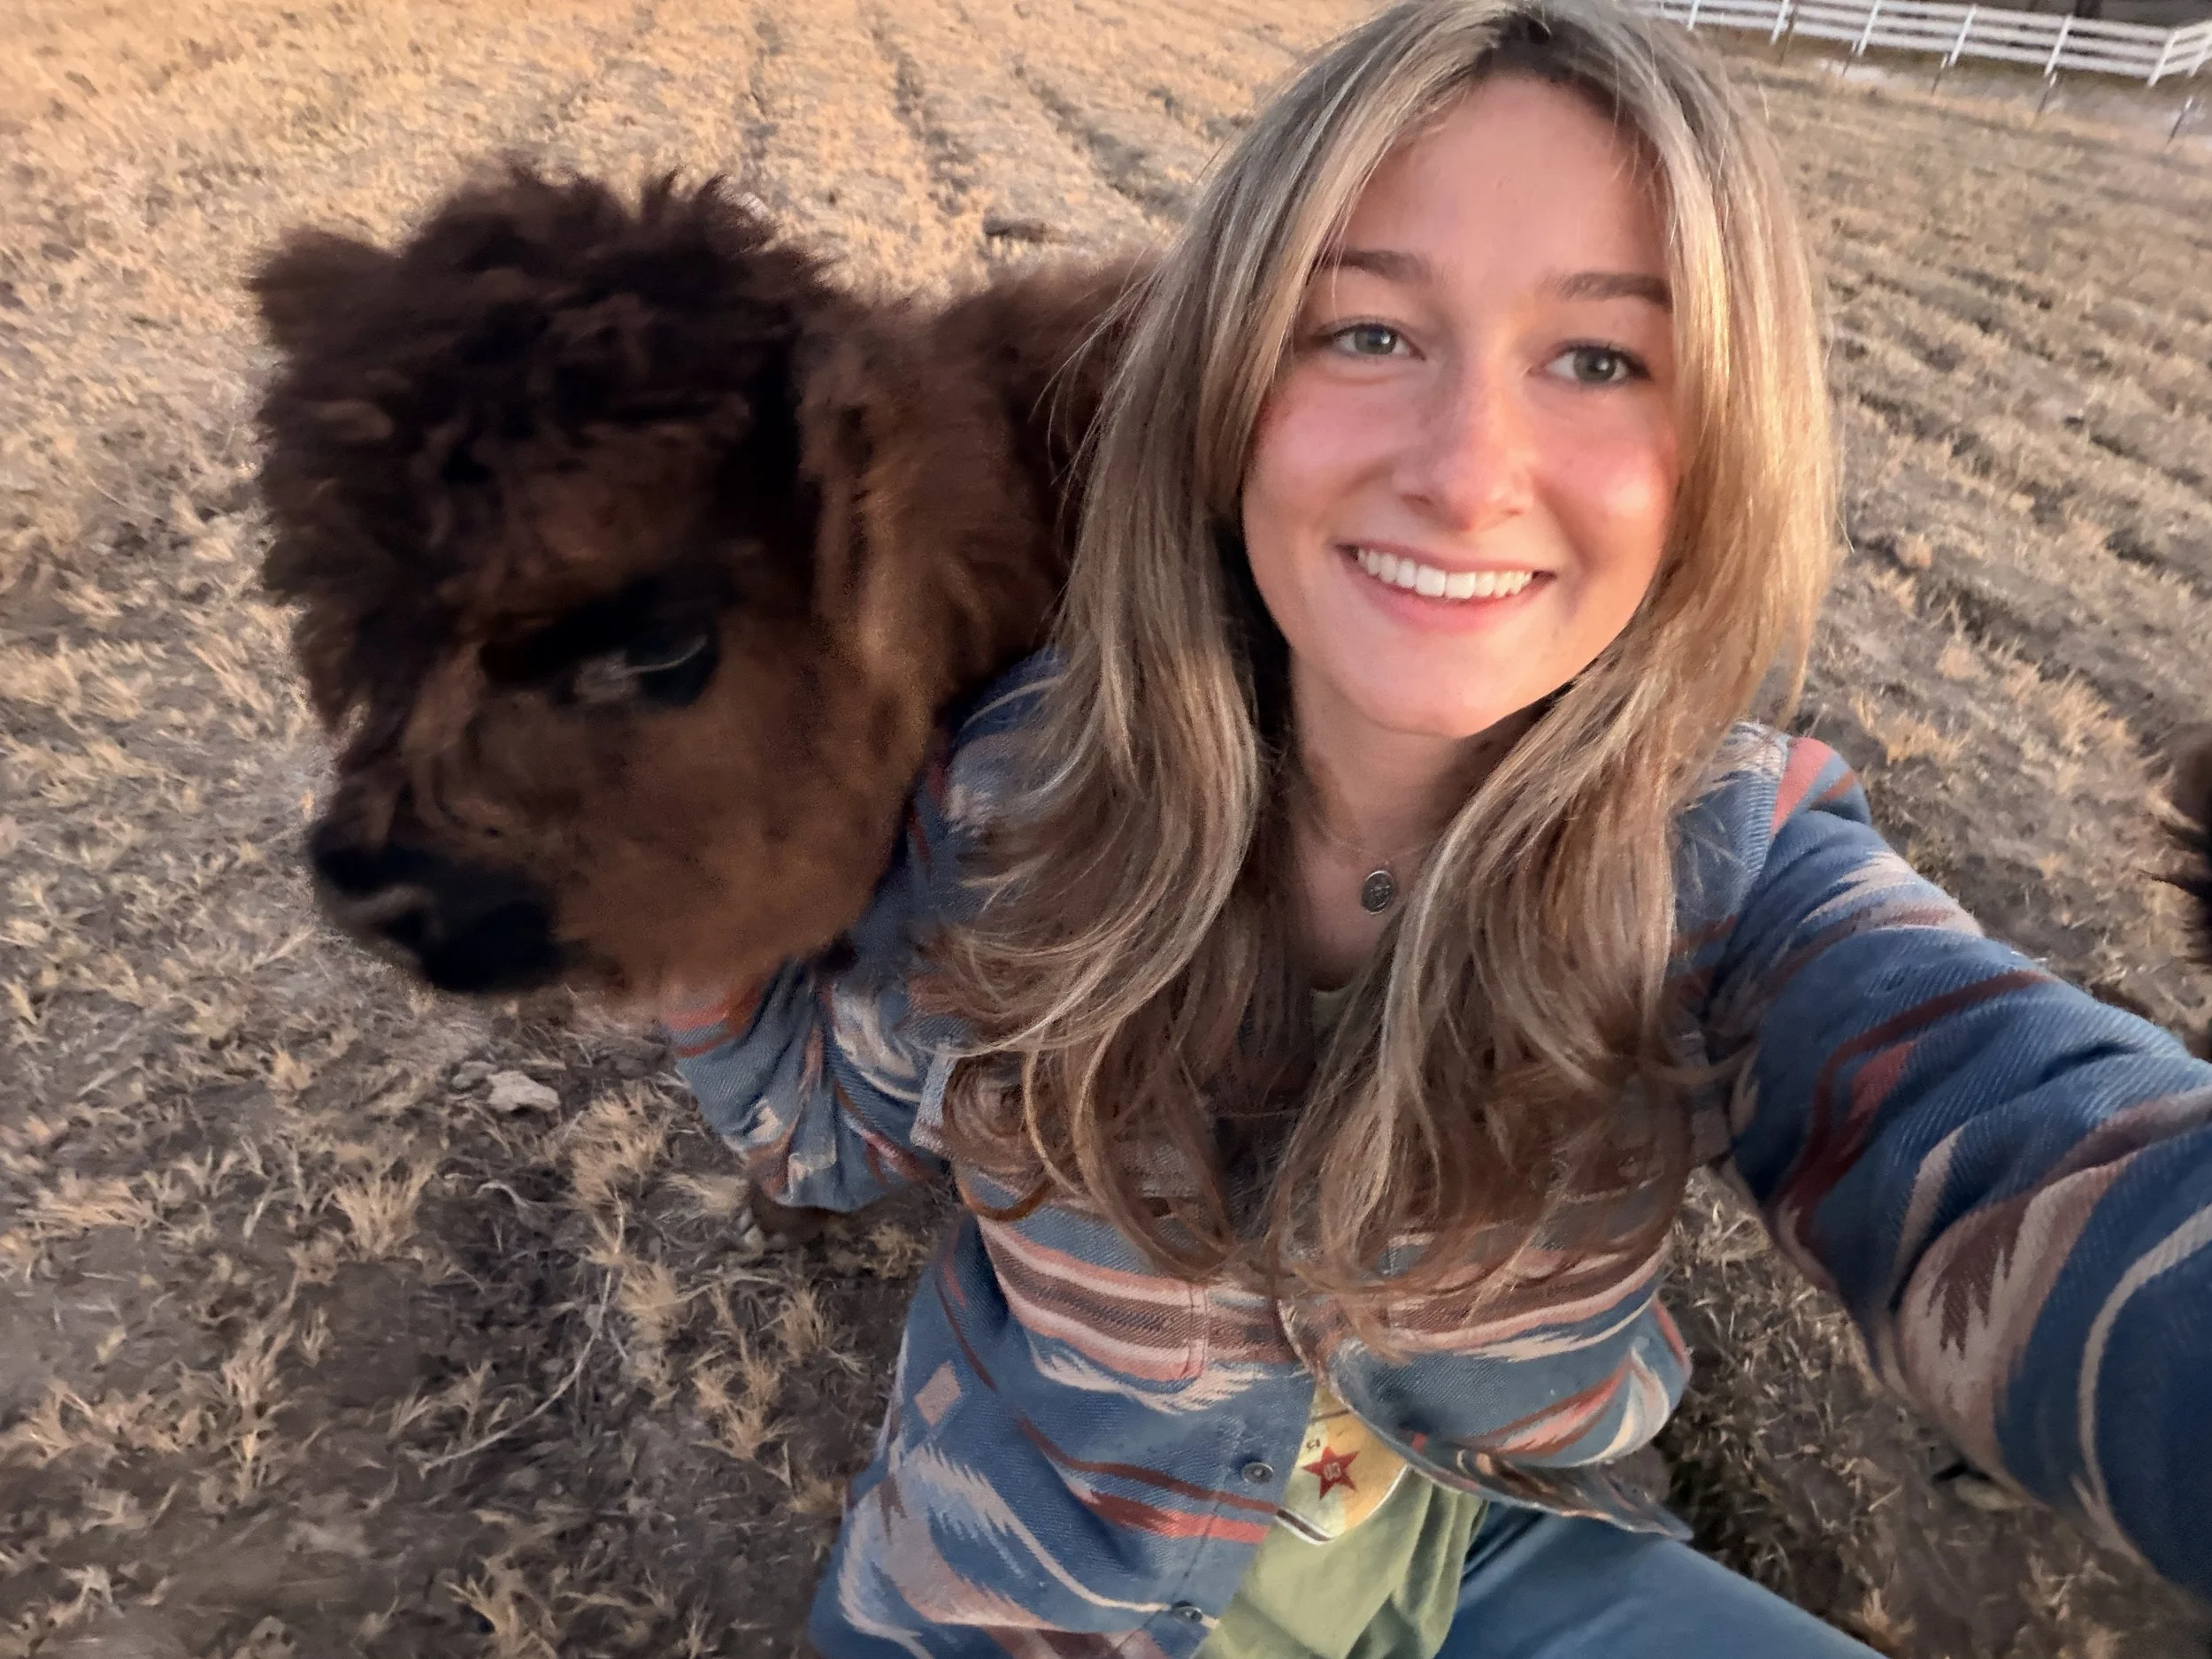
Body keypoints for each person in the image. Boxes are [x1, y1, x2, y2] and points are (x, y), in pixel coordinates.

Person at [663, 0, 2212, 1652]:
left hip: (1490, 1571)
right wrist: (661, 881)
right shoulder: (1018, 787)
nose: (1468, 473)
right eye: (1368, 334)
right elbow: (821, 1123)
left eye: (1602, 359)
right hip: (1020, 1598)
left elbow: (2050, 1172)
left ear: (1719, 452)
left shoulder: (1737, 869)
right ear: (1229, 380)